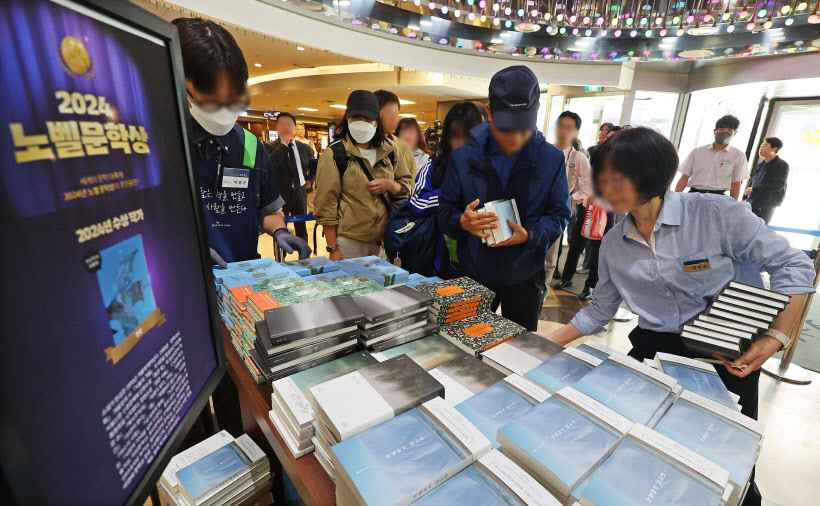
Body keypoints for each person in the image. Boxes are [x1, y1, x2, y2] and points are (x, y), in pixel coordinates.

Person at [541, 127, 814, 505]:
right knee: (643, 455)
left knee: (725, 465)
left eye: (615, 179)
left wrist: (777, 337)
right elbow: (600, 311)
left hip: (723, 349)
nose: (604, 189)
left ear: (650, 176)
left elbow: (793, 265)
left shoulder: (714, 213)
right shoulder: (614, 244)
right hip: (654, 351)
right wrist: (542, 344)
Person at [438, 66, 571, 330]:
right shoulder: (463, 157)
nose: (515, 138)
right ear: (489, 112)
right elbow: (445, 212)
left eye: (523, 127)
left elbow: (560, 215)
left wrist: (530, 235)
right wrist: (462, 222)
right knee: (468, 348)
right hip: (475, 272)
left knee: (519, 354)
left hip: (525, 274)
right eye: (506, 127)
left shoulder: (551, 159)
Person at [172, 18, 310, 265]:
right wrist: (184, 251)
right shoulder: (159, 141)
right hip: (181, 279)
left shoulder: (249, 144)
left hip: (242, 274)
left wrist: (279, 230)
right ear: (180, 81)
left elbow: (268, 209)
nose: (225, 107)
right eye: (213, 96)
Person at [314, 90, 412, 260]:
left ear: (376, 120)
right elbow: (326, 204)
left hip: (383, 239)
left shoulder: (390, 149)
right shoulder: (335, 153)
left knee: (383, 286)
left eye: (367, 119)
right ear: (347, 118)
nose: (361, 123)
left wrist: (390, 185)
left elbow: (407, 185)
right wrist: (333, 248)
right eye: (355, 118)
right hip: (349, 240)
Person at [409, 101, 484, 278]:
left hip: (479, 256)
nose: (459, 143)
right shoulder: (435, 165)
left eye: (466, 136)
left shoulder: (487, 168)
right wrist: (448, 196)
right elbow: (415, 201)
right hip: (439, 254)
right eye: (454, 136)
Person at [545, 111, 594, 289]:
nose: (563, 131)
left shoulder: (577, 157)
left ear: (576, 132)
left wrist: (571, 197)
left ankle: (542, 290)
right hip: (537, 205)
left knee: (551, 253)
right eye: (561, 126)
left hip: (558, 209)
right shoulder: (545, 149)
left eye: (569, 128)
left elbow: (590, 184)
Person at [266, 112, 314, 243]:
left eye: (289, 124)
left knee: (301, 227)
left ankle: (304, 258)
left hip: (299, 191)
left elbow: (314, 166)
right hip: (280, 194)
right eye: (282, 124)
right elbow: (270, 165)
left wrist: (310, 180)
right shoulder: (269, 147)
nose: (286, 127)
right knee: (281, 228)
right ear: (277, 128)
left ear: (294, 128)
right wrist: (283, 145)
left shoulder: (304, 148)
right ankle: (282, 257)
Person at [675, 114, 749, 200]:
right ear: (715, 131)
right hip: (693, 195)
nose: (725, 133)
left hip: (718, 198)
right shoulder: (698, 152)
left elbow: (736, 183)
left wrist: (734, 204)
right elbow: (685, 177)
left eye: (729, 130)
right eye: (721, 130)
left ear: (735, 133)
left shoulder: (738, 156)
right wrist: (675, 197)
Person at [374, 90, 417, 180]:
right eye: (393, 113)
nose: (396, 119)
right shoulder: (361, 143)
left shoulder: (403, 147)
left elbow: (411, 183)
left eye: (397, 114)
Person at [745, 137, 789, 224]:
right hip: (752, 202)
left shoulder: (781, 165)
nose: (761, 148)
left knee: (759, 230)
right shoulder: (760, 164)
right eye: (761, 146)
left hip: (766, 205)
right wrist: (745, 197)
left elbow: (778, 185)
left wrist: (754, 189)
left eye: (765, 146)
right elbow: (753, 181)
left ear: (774, 149)